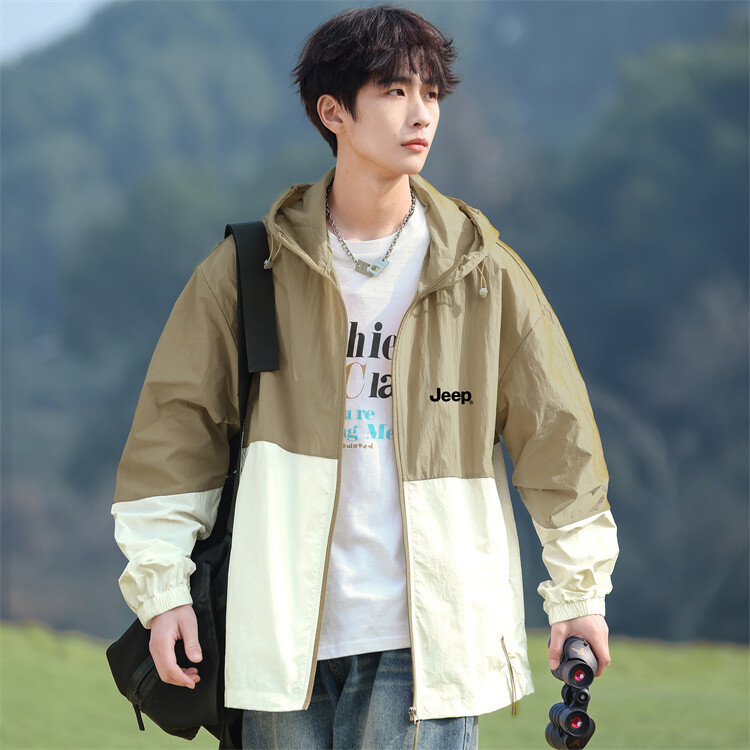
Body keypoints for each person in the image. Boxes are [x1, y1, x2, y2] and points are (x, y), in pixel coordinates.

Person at [111, 4, 619, 749]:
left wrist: (580, 596)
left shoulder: (484, 274)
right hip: (279, 637)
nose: (421, 114)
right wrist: (162, 591)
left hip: (427, 638)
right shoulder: (251, 270)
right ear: (333, 112)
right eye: (394, 91)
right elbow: (175, 436)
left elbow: (559, 445)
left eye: (431, 93)